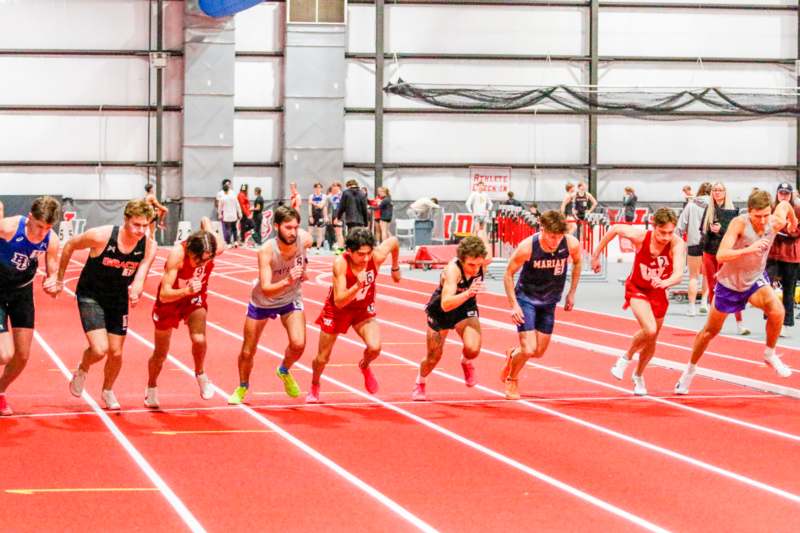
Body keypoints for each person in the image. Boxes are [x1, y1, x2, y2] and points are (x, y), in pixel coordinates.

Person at [675, 190, 798, 394]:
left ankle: (769, 353)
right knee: (709, 332)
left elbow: (785, 206)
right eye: (758, 216)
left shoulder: (774, 221)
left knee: (778, 311)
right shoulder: (739, 223)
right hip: (730, 283)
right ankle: (689, 370)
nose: (762, 220)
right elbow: (722, 255)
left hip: (754, 279)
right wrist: (751, 249)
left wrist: (792, 221)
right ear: (749, 212)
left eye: (766, 215)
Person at [59, 200, 158, 410]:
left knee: (116, 352)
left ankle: (107, 390)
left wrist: (137, 290)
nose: (141, 230)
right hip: (91, 295)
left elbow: (142, 273)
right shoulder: (101, 236)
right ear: (125, 220)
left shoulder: (149, 245)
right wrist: (58, 278)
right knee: (99, 349)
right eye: (136, 225)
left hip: (118, 298)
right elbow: (69, 246)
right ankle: (82, 369)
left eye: (145, 225)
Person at [592, 208, 686, 395]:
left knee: (652, 339)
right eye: (662, 233)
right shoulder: (641, 236)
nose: (666, 237)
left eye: (670, 232)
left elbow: (678, 273)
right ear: (654, 227)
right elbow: (615, 229)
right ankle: (625, 358)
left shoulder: (677, 244)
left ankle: (639, 375)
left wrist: (665, 282)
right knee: (649, 329)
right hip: (637, 288)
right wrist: (596, 255)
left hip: (658, 291)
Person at [228, 206, 313, 405]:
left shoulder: (303, 238)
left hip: (290, 299)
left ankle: (283, 370)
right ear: (276, 227)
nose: (292, 232)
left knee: (299, 344)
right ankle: (242, 386)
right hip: (263, 302)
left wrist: (304, 268)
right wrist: (287, 280)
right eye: (287, 227)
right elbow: (266, 288)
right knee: (248, 350)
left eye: (295, 227)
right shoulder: (266, 251)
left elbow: (306, 245)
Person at [308, 228, 401, 403]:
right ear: (349, 252)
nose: (366, 258)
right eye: (360, 254)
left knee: (375, 347)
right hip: (338, 310)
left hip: (362, 309)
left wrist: (395, 268)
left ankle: (364, 365)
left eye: (368, 253)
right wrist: (357, 286)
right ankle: (315, 384)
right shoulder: (340, 264)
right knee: (322, 357)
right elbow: (340, 301)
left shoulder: (376, 257)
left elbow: (394, 241)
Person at [500, 210, 583, 400]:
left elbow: (578, 263)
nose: (555, 241)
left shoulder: (570, 243)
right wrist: (514, 305)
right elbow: (508, 274)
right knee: (528, 349)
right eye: (552, 237)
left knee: (538, 352)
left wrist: (572, 292)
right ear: (542, 229)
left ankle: (513, 354)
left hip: (549, 301)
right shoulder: (527, 247)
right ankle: (512, 379)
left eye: (559, 236)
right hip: (526, 299)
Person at [145, 218, 224, 408]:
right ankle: (151, 387)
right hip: (172, 299)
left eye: (207, 260)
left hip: (194, 298)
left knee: (199, 339)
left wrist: (206, 226)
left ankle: (200, 373)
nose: (201, 264)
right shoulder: (177, 256)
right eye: (198, 259)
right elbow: (164, 295)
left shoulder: (213, 247)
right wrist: (185, 291)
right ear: (189, 250)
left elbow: (207, 223)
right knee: (161, 353)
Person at [0, 197, 61, 416]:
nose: (41, 232)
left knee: (22, 356)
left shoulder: (50, 239)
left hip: (22, 292)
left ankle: (0, 392)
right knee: (4, 354)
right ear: (30, 218)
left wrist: (53, 282)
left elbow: (52, 268)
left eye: (47, 228)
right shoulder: (8, 227)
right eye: (38, 226)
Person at [413, 231, 493, 400]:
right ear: (462, 259)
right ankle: (421, 381)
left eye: (479, 264)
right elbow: (446, 303)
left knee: (473, 348)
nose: (476, 269)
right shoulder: (452, 271)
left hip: (465, 308)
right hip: (442, 311)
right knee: (433, 357)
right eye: (471, 265)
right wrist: (469, 292)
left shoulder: (482, 261)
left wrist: (480, 232)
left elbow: (486, 244)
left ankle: (466, 362)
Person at [701, 181, 749, 334]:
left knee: (731, 287)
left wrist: (721, 230)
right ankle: (712, 323)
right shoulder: (708, 210)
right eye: (715, 190)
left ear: (725, 192)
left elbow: (734, 235)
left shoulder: (732, 212)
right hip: (709, 252)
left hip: (725, 254)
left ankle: (740, 323)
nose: (717, 192)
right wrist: (709, 230)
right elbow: (701, 230)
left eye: (720, 190)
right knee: (712, 286)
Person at [767, 183, 800, 337]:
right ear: (777, 194)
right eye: (781, 193)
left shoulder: (798, 210)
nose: (784, 196)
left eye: (787, 193)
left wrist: (784, 228)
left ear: (791, 195)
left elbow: (795, 231)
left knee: (789, 291)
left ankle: (786, 323)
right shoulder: (771, 208)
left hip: (791, 255)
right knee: (768, 287)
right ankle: (771, 318)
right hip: (773, 254)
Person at [677, 182, 711, 317]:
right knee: (707, 275)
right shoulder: (714, 206)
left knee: (693, 277)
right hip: (710, 244)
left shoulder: (691, 205)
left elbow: (680, 226)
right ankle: (704, 303)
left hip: (694, 243)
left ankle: (691, 307)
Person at [216, 179, 241, 247]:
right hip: (233, 215)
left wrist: (219, 214)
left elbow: (219, 207)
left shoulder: (223, 198)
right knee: (234, 228)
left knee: (228, 229)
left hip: (226, 215)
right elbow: (238, 205)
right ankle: (235, 241)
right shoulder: (233, 196)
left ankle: (229, 243)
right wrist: (240, 213)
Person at [308, 182, 328, 251]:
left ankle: (318, 248)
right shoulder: (311, 196)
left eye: (319, 187)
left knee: (319, 232)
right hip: (313, 215)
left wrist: (325, 216)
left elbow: (321, 206)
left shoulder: (324, 196)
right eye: (316, 187)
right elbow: (310, 206)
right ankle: (309, 247)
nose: (318, 189)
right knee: (310, 232)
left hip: (320, 215)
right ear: (314, 188)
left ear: (321, 188)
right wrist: (310, 216)